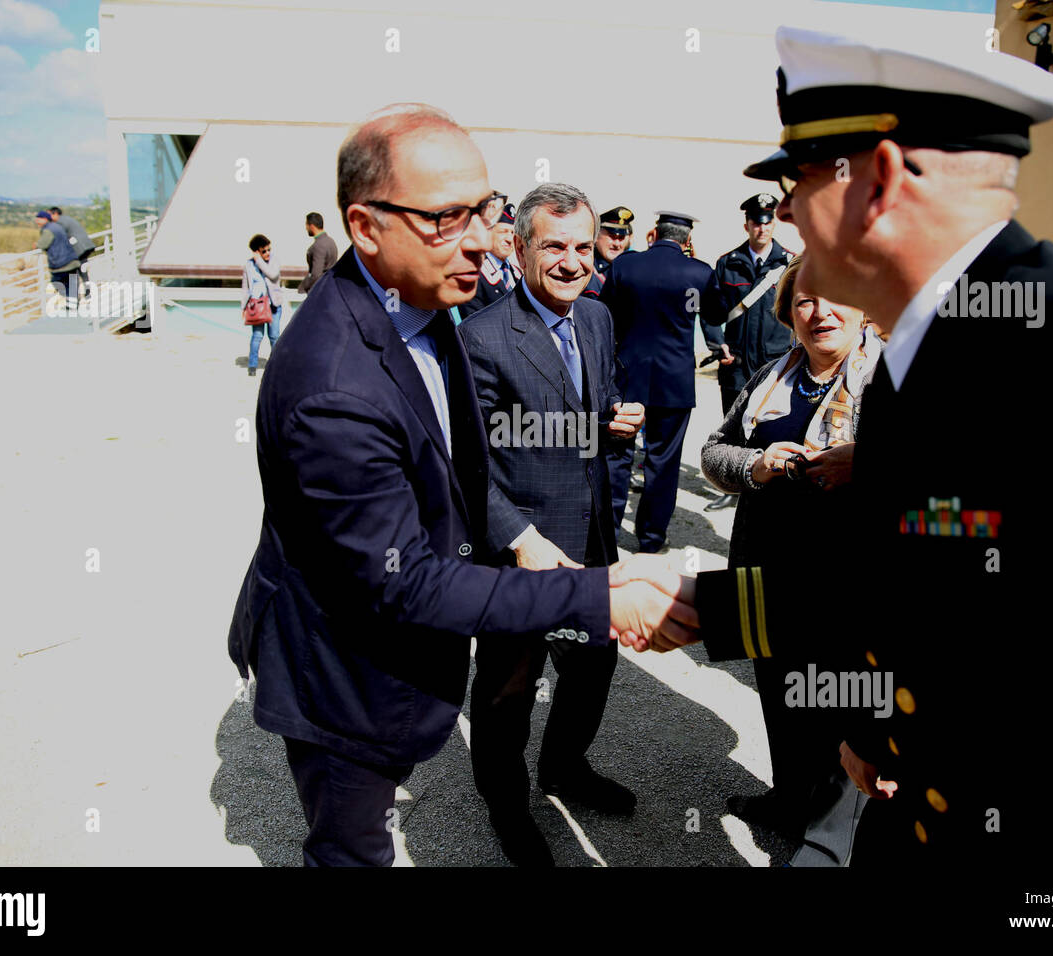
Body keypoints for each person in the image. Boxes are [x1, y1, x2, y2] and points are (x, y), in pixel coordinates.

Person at [694, 26, 1053, 867]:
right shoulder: (922, 355)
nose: (783, 213)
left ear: (878, 179)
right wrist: (884, 726)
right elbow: (954, 586)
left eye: (798, 181)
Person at [226, 103, 696, 867]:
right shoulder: (334, 386)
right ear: (366, 226)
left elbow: (461, 460)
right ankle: (505, 809)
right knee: (351, 848)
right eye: (447, 217)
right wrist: (598, 589)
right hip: (345, 674)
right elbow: (405, 582)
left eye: (483, 209)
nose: (480, 237)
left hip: (533, 554)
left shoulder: (424, 305)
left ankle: (562, 770)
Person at [459, 183, 646, 866]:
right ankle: (507, 808)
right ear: (519, 246)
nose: (572, 261)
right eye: (554, 247)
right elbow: (467, 469)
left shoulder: (595, 318)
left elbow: (576, 422)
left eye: (581, 246)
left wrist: (613, 426)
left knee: (595, 662)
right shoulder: (481, 339)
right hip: (518, 554)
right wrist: (517, 540)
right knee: (509, 689)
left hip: (591, 538)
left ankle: (565, 768)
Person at [700, 254, 881, 864]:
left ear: (863, 309)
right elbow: (712, 451)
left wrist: (866, 464)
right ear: (788, 314)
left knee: (838, 700)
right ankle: (787, 800)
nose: (820, 312)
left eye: (835, 298)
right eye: (804, 301)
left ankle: (828, 841)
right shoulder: (768, 378)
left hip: (846, 580)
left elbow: (943, 483)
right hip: (764, 571)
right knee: (780, 693)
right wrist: (753, 465)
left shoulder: (890, 382)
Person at [601, 211, 712, 554]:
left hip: (628, 374)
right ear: (686, 240)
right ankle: (651, 538)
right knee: (663, 462)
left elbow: (606, 315)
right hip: (673, 383)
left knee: (617, 456)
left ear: (653, 233)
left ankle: (609, 531)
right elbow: (717, 314)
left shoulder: (625, 266)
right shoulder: (699, 272)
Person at [700, 194, 794, 512]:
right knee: (734, 423)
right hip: (736, 361)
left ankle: (772, 481)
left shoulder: (790, 263)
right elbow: (712, 311)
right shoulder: (728, 264)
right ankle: (735, 487)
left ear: (773, 224)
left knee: (774, 421)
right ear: (747, 225)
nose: (762, 228)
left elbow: (798, 309)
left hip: (775, 360)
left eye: (768, 221)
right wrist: (717, 344)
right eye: (756, 222)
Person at [463, 202, 520, 316]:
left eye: (513, 233)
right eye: (503, 232)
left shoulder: (517, 274)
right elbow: (473, 323)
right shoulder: (473, 273)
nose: (509, 239)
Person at [242, 234, 284, 377]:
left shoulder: (274, 261)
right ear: (256, 251)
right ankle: (252, 365)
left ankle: (276, 365)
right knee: (257, 336)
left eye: (268, 250)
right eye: (263, 251)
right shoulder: (248, 265)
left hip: (273, 305)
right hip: (257, 306)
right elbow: (246, 287)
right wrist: (243, 307)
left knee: (274, 336)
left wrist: (259, 261)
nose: (267, 253)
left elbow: (272, 275)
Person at [581, 205, 634, 299]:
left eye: (621, 238)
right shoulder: (585, 269)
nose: (617, 244)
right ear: (596, 235)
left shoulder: (631, 268)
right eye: (612, 236)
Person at [33, 210, 80, 305]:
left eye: (39, 219)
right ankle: (72, 303)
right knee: (70, 282)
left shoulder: (48, 230)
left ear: (45, 219)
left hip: (61, 262)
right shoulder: (57, 226)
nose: (36, 221)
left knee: (57, 281)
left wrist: (36, 245)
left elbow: (43, 244)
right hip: (71, 259)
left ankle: (71, 302)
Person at [48, 206, 96, 298]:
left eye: (49, 214)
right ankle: (87, 292)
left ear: (55, 214)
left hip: (79, 248)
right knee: (82, 271)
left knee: (74, 272)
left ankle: (76, 295)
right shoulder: (66, 219)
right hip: (85, 246)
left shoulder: (60, 222)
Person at [298, 211, 339, 294]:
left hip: (320, 291)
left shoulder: (318, 246)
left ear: (312, 226)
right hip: (329, 287)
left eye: (307, 225)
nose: (306, 228)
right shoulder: (330, 241)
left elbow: (316, 274)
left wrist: (303, 287)